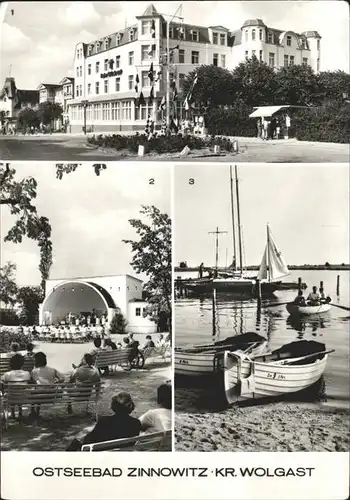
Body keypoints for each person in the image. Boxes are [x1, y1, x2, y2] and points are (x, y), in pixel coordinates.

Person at [66, 392, 141, 451]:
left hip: (102, 456)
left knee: (76, 441)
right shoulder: (136, 423)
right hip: (123, 455)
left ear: (113, 407)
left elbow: (89, 441)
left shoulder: (104, 421)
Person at [1, 354, 32, 420]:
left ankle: (13, 413)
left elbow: (2, 381)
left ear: (11, 363)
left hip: (11, 397)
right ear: (22, 364)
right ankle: (20, 412)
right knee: (20, 390)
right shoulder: (27, 373)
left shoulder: (7, 374)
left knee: (11, 391)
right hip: (24, 397)